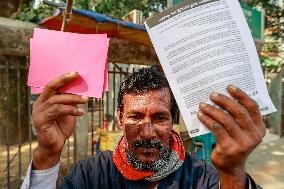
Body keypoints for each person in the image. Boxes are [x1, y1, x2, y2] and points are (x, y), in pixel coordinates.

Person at [21, 67, 265, 189]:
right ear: (119, 118)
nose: (148, 133)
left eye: (160, 118)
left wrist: (233, 172)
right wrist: (47, 154)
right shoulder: (90, 175)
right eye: (135, 117)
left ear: (173, 121)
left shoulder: (202, 177)